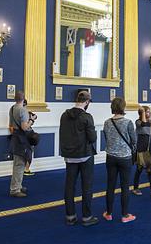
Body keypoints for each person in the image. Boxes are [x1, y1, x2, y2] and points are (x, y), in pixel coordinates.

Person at [59, 90, 99, 226]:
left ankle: (70, 216)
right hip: (84, 155)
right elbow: (93, 138)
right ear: (87, 102)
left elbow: (62, 134)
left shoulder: (64, 115)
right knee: (86, 186)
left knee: (69, 186)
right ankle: (87, 217)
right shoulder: (87, 117)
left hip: (69, 155)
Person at [102, 97, 137, 223]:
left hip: (110, 157)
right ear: (123, 107)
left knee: (110, 185)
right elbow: (134, 141)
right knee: (125, 186)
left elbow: (106, 137)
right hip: (125, 158)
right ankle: (125, 215)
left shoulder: (107, 122)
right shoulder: (128, 123)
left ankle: (109, 213)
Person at [133, 106, 151, 198]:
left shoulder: (150, 123)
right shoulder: (138, 122)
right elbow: (143, 124)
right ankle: (137, 188)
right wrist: (142, 112)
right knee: (142, 170)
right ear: (142, 113)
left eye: (149, 112)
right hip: (140, 150)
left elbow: (149, 131)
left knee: (147, 170)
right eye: (147, 112)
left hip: (147, 150)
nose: (149, 114)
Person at [8, 91, 33, 198]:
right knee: (20, 164)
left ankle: (17, 185)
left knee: (17, 163)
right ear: (23, 99)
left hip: (15, 138)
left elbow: (11, 125)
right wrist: (32, 120)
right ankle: (15, 190)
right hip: (22, 139)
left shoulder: (12, 108)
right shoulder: (23, 110)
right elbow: (25, 127)